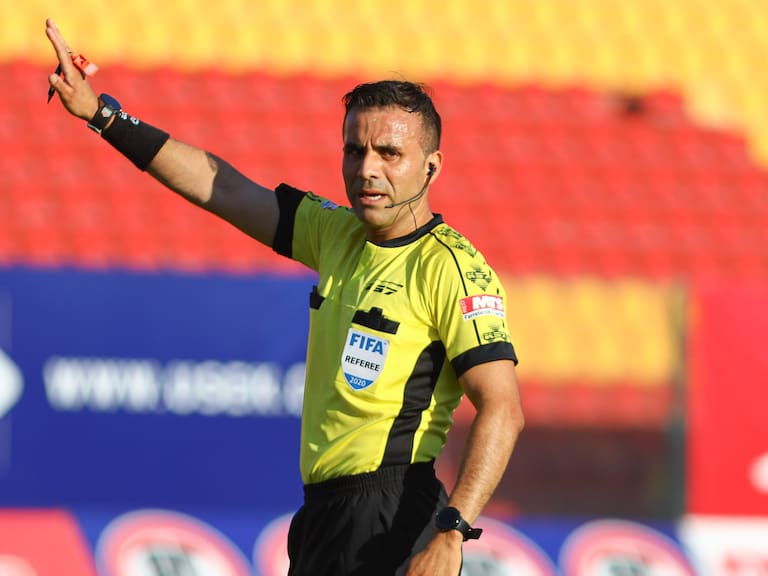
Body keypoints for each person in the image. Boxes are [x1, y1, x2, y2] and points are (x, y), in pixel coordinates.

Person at [45, 18, 524, 576]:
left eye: (389, 153)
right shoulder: (335, 233)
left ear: (431, 166)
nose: (367, 169)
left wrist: (453, 530)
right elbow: (222, 187)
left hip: (394, 515)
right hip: (322, 515)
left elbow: (503, 408)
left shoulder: (452, 268)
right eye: (355, 151)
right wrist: (103, 115)